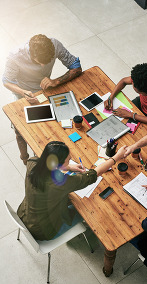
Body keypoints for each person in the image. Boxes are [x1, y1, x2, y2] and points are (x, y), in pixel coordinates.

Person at [17, 141, 126, 241]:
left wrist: (68, 167)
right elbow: (92, 175)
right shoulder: (59, 184)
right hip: (44, 231)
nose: (70, 160)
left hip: (24, 215)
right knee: (89, 211)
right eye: (68, 159)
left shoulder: (33, 163)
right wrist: (116, 157)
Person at [2, 34, 82, 164]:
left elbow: (76, 66)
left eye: (47, 62)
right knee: (22, 131)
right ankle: (25, 159)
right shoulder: (15, 56)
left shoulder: (55, 44)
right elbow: (6, 81)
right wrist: (23, 92)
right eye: (40, 62)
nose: (44, 65)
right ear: (31, 55)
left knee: (52, 127)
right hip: (24, 95)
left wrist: (56, 81)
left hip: (47, 89)